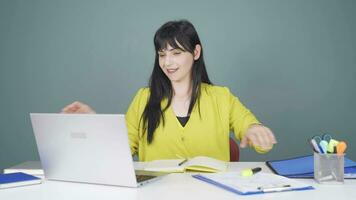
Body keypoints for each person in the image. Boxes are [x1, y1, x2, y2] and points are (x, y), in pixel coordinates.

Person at [62, 20, 277, 162]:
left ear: (195, 52)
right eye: (162, 54)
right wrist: (95, 124)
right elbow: (120, 151)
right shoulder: (143, 98)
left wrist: (254, 130)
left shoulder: (221, 97)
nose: (168, 62)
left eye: (175, 53)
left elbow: (246, 124)